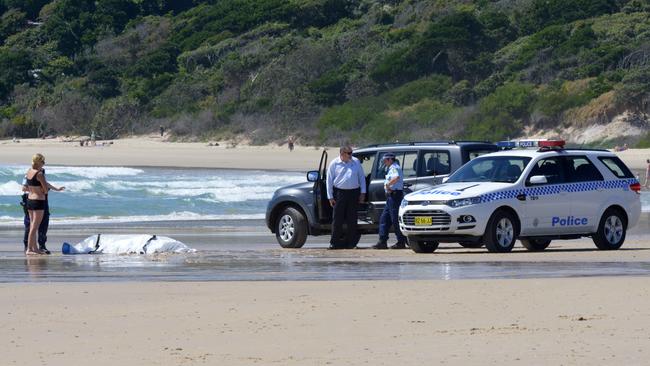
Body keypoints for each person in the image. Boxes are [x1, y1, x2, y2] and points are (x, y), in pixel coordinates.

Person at [326, 145, 366, 249]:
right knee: (337, 219)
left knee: (352, 219)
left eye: (351, 153)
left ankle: (352, 243)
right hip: (339, 193)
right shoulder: (334, 163)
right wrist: (330, 197)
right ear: (342, 154)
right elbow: (329, 181)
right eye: (349, 153)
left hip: (353, 193)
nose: (351, 155)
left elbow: (361, 177)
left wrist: (363, 193)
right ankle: (334, 243)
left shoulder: (356, 162)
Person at [24, 154, 64, 255]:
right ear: (39, 162)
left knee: (32, 225)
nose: (44, 164)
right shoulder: (39, 174)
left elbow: (27, 187)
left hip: (30, 200)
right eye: (43, 161)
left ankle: (34, 248)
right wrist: (44, 190)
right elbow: (45, 189)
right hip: (38, 201)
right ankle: (29, 249)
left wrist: (57, 189)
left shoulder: (29, 171)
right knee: (34, 227)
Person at [373, 153, 407, 249]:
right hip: (390, 197)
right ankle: (382, 241)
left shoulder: (395, 167)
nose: (384, 162)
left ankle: (401, 242)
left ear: (390, 160)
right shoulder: (391, 168)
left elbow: (396, 177)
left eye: (385, 160)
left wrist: (388, 185)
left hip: (395, 196)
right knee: (384, 219)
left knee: (395, 219)